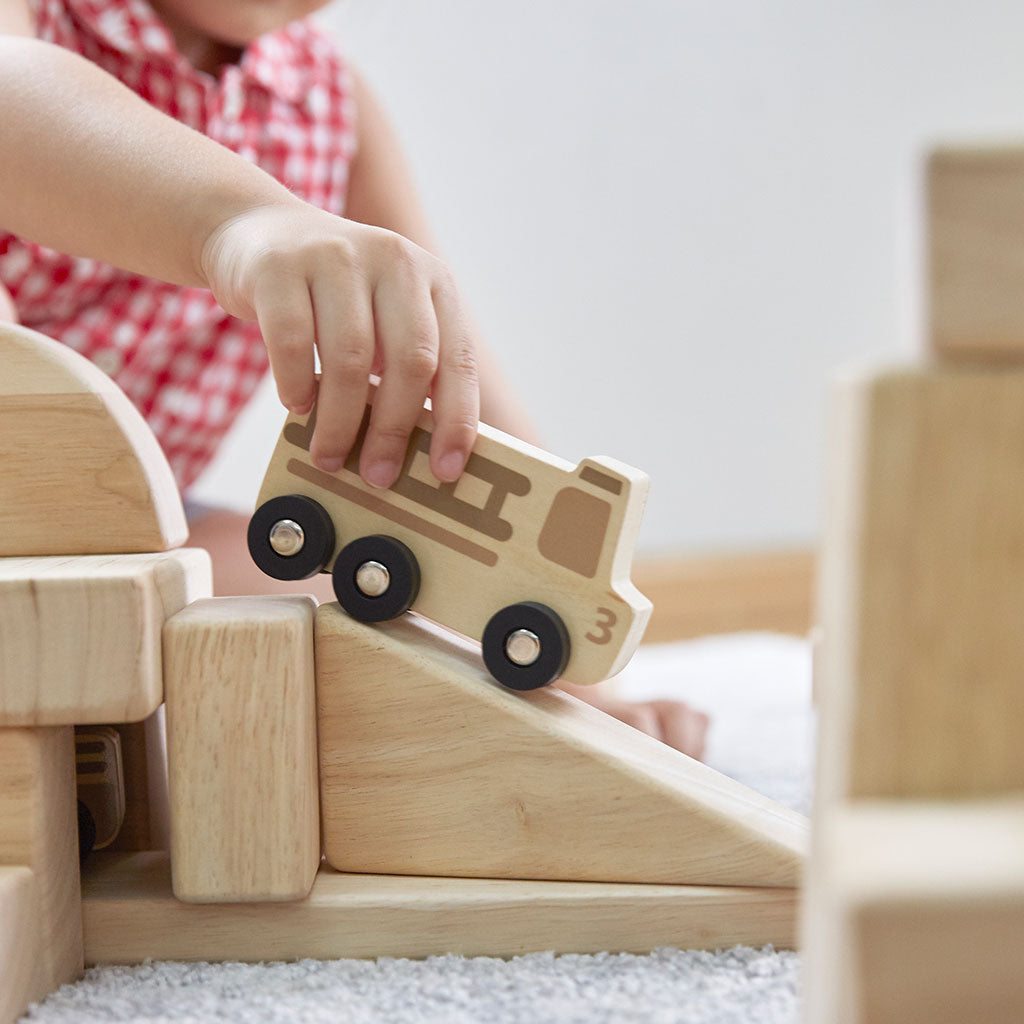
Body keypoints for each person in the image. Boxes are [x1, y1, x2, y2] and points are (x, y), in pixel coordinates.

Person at [0, 0, 708, 758]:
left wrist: (580, 682)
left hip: (141, 535)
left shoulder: (327, 104)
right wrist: (236, 222)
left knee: (397, 614)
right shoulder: (32, 21)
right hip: (24, 508)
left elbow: (445, 375)